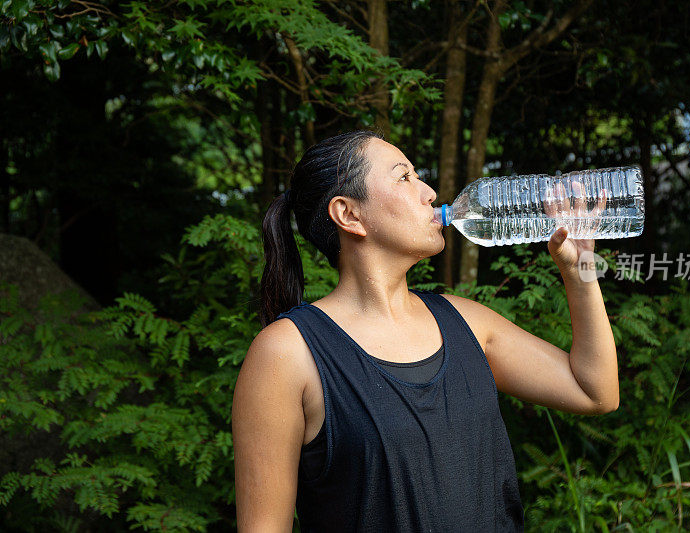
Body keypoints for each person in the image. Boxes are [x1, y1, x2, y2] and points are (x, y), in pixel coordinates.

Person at [231, 130, 619, 532]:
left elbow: (594, 390)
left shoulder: (467, 322)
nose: (429, 192)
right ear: (349, 214)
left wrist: (580, 272)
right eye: (404, 178)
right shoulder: (286, 354)